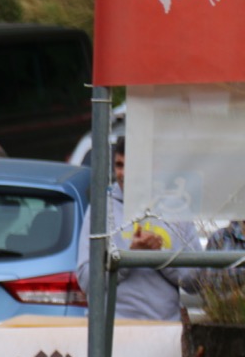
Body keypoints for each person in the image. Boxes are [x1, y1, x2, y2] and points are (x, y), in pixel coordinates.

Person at [76, 137, 201, 322]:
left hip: (164, 327)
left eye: (132, 166)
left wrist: (159, 256)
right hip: (111, 327)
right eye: (119, 165)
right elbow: (86, 281)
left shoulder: (175, 209)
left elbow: (195, 282)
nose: (124, 174)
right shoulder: (101, 209)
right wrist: (128, 258)